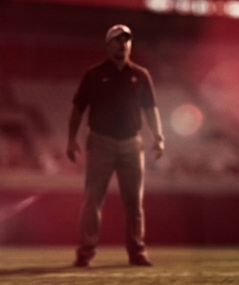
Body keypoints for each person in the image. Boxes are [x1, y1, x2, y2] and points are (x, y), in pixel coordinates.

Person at [67, 24, 165, 267]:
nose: (123, 44)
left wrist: (158, 136)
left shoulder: (141, 75)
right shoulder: (94, 74)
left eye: (126, 40)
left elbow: (151, 109)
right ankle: (85, 252)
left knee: (134, 201)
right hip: (101, 142)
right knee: (92, 199)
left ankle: (137, 251)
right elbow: (78, 107)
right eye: (118, 40)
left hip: (132, 142)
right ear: (108, 44)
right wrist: (71, 138)